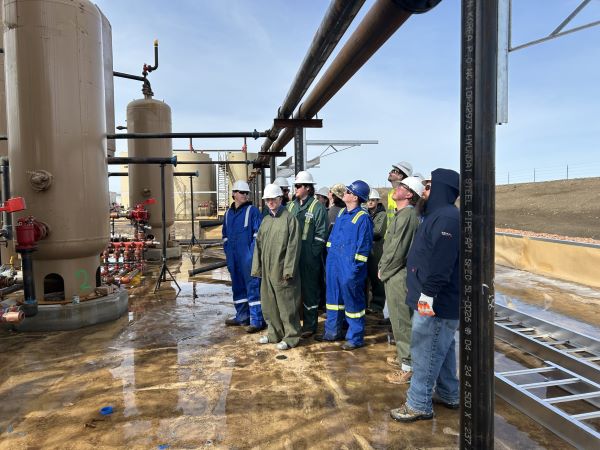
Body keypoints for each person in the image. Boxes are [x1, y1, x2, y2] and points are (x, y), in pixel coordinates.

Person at [390, 168, 461, 422]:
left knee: (425, 352)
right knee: (441, 349)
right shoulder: (436, 216)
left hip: (436, 303)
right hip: (429, 299)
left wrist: (428, 294)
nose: (424, 191)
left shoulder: (448, 219)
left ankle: (419, 403)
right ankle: (450, 393)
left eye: (429, 187)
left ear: (441, 189)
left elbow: (442, 264)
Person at [316, 180, 373, 350]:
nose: (345, 193)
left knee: (353, 303)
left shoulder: (363, 218)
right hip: (334, 263)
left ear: (355, 197)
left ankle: (355, 338)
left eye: (348, 191)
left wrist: (354, 270)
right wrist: (329, 261)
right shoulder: (341, 214)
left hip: (350, 267)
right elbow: (332, 238)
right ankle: (332, 332)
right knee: (333, 300)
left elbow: (364, 247)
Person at [377, 177, 423, 384]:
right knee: (399, 319)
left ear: (410, 194)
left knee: (401, 320)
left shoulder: (407, 216)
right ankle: (404, 357)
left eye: (402, 187)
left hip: (397, 275)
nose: (397, 189)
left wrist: (383, 270)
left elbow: (397, 250)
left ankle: (408, 366)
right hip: (395, 272)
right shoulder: (402, 214)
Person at [251, 183, 302, 350]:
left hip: (282, 270)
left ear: (280, 199)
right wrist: (257, 267)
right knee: (269, 303)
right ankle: (274, 333)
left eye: (273, 199)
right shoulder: (265, 220)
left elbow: (293, 247)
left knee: (287, 305)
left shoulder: (289, 219)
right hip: (267, 270)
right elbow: (258, 245)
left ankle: (291, 337)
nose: (270, 202)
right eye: (267, 200)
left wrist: (288, 270)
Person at [287, 171, 329, 338]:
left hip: (308, 256)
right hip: (292, 254)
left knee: (310, 290)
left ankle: (310, 325)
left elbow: (321, 234)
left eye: (298, 186)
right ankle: (294, 322)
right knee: (292, 290)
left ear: (307, 188)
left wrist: (312, 253)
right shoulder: (291, 206)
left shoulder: (317, 207)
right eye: (295, 185)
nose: (295, 188)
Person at [222, 180, 265, 332]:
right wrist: (228, 255)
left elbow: (257, 235)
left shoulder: (252, 211)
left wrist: (252, 255)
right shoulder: (227, 214)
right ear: (234, 194)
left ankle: (257, 320)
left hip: (247, 257)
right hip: (233, 258)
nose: (245, 195)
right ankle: (242, 316)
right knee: (237, 286)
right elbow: (225, 236)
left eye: (247, 193)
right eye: (242, 193)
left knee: (252, 287)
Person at [366, 189, 387, 315]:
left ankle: (377, 306)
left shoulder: (382, 215)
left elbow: (378, 231)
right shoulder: (366, 213)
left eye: (373, 200)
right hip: (367, 247)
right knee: (365, 278)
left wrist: (363, 231)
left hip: (377, 248)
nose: (370, 202)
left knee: (376, 278)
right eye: (368, 200)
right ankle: (366, 304)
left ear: (377, 201)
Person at [386, 161, 412, 227]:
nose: (390, 172)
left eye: (393, 171)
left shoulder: (405, 194)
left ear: (400, 176)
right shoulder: (391, 193)